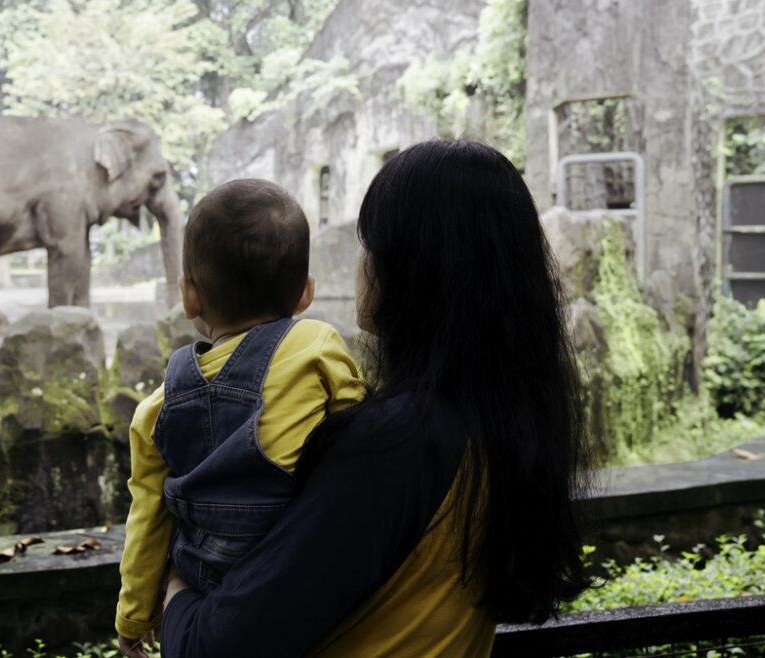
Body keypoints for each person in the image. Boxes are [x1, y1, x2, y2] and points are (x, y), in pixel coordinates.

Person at [159, 140, 594, 657]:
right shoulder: (508, 426)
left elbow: (212, 647)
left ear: (409, 266)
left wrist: (174, 586)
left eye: (369, 242)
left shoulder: (394, 445)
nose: (360, 259)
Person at [115, 179, 368, 657]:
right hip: (295, 563)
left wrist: (133, 614)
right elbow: (357, 432)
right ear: (306, 293)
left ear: (189, 297)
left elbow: (147, 517)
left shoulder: (156, 407)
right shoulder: (318, 348)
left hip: (203, 584)